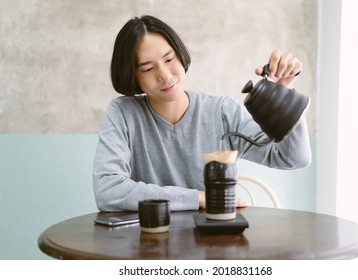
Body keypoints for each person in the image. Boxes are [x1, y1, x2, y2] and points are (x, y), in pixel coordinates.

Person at [93, 15, 311, 212]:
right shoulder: (123, 114)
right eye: (148, 69)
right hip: (150, 248)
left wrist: (286, 96)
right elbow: (108, 191)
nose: (165, 75)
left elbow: (294, 159)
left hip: (216, 247)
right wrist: (199, 198)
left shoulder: (222, 112)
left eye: (169, 60)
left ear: (180, 55)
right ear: (133, 76)